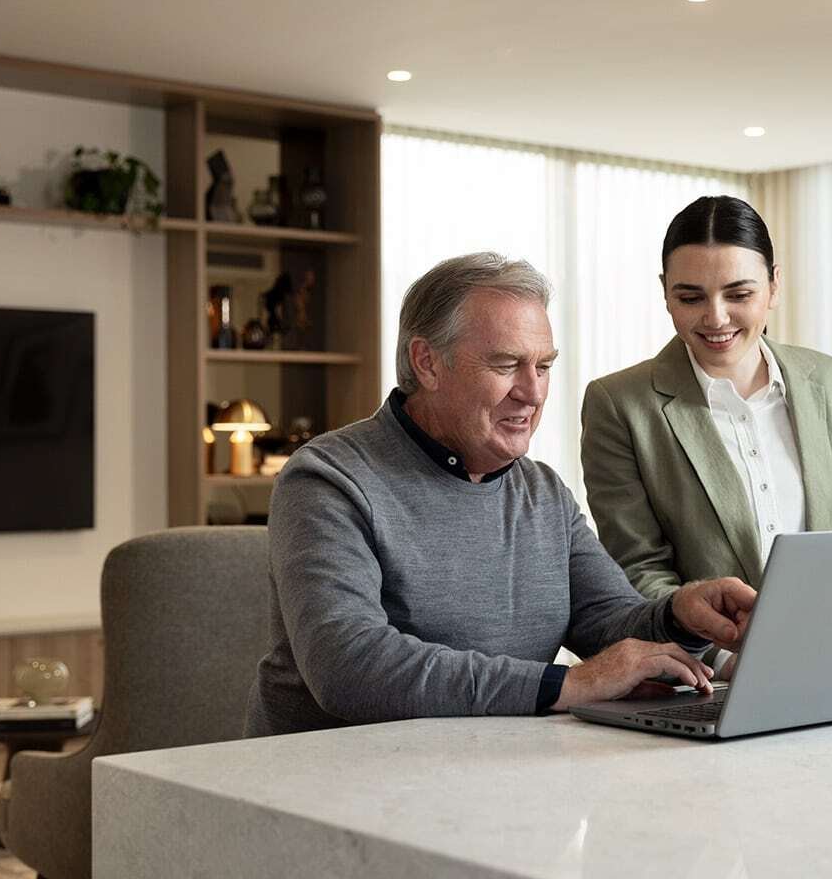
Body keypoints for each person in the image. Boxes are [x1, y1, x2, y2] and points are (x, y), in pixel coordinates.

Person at [244, 252, 756, 737]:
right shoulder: (328, 479)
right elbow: (348, 667)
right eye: (507, 364)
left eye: (544, 366)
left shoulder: (542, 491)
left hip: (500, 775)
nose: (532, 393)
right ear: (427, 362)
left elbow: (608, 624)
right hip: (334, 787)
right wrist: (565, 684)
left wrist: (680, 615)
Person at [580, 196, 832, 671]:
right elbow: (636, 568)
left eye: (739, 294)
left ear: (774, 285)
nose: (715, 318)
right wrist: (721, 657)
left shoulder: (826, 379)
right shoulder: (621, 404)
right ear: (665, 292)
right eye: (690, 297)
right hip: (712, 678)